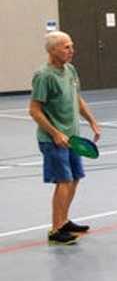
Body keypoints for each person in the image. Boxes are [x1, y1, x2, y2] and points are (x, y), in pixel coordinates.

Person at [28, 31, 101, 245]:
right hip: (53, 140)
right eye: (66, 47)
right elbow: (34, 110)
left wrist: (92, 121)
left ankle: (64, 221)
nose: (72, 51)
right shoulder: (44, 75)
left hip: (72, 138)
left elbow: (76, 99)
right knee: (64, 181)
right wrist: (55, 133)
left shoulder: (70, 70)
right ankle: (55, 229)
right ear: (52, 50)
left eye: (71, 46)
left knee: (75, 178)